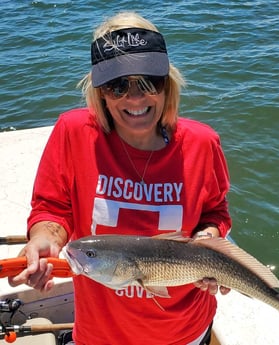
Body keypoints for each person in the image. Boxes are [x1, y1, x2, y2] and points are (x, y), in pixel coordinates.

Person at [9, 11, 232, 345]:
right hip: (101, 335)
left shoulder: (202, 143)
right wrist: (46, 238)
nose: (136, 97)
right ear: (99, 92)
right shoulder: (74, 133)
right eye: (117, 86)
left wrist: (208, 241)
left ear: (168, 84)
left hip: (185, 331)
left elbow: (215, 213)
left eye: (149, 82)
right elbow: (51, 208)